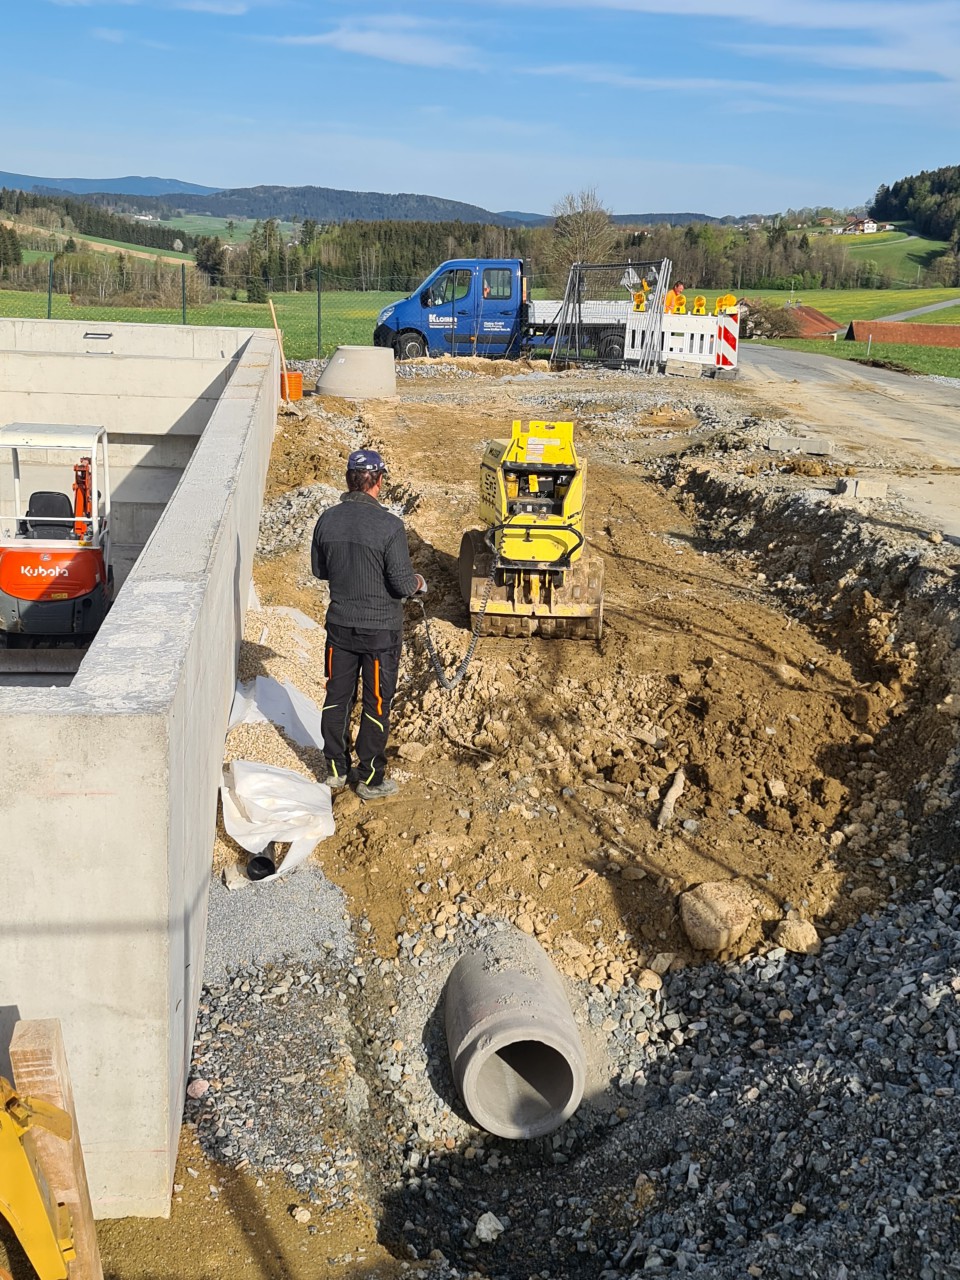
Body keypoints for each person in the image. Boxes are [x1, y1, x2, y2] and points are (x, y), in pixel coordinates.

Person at [311, 449, 426, 801]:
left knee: (337, 697)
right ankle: (371, 777)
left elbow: (320, 571)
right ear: (378, 481)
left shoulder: (327, 520)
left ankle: (335, 769)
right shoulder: (390, 526)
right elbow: (404, 585)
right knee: (376, 703)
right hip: (380, 634)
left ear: (350, 480)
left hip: (340, 629)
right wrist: (420, 582)